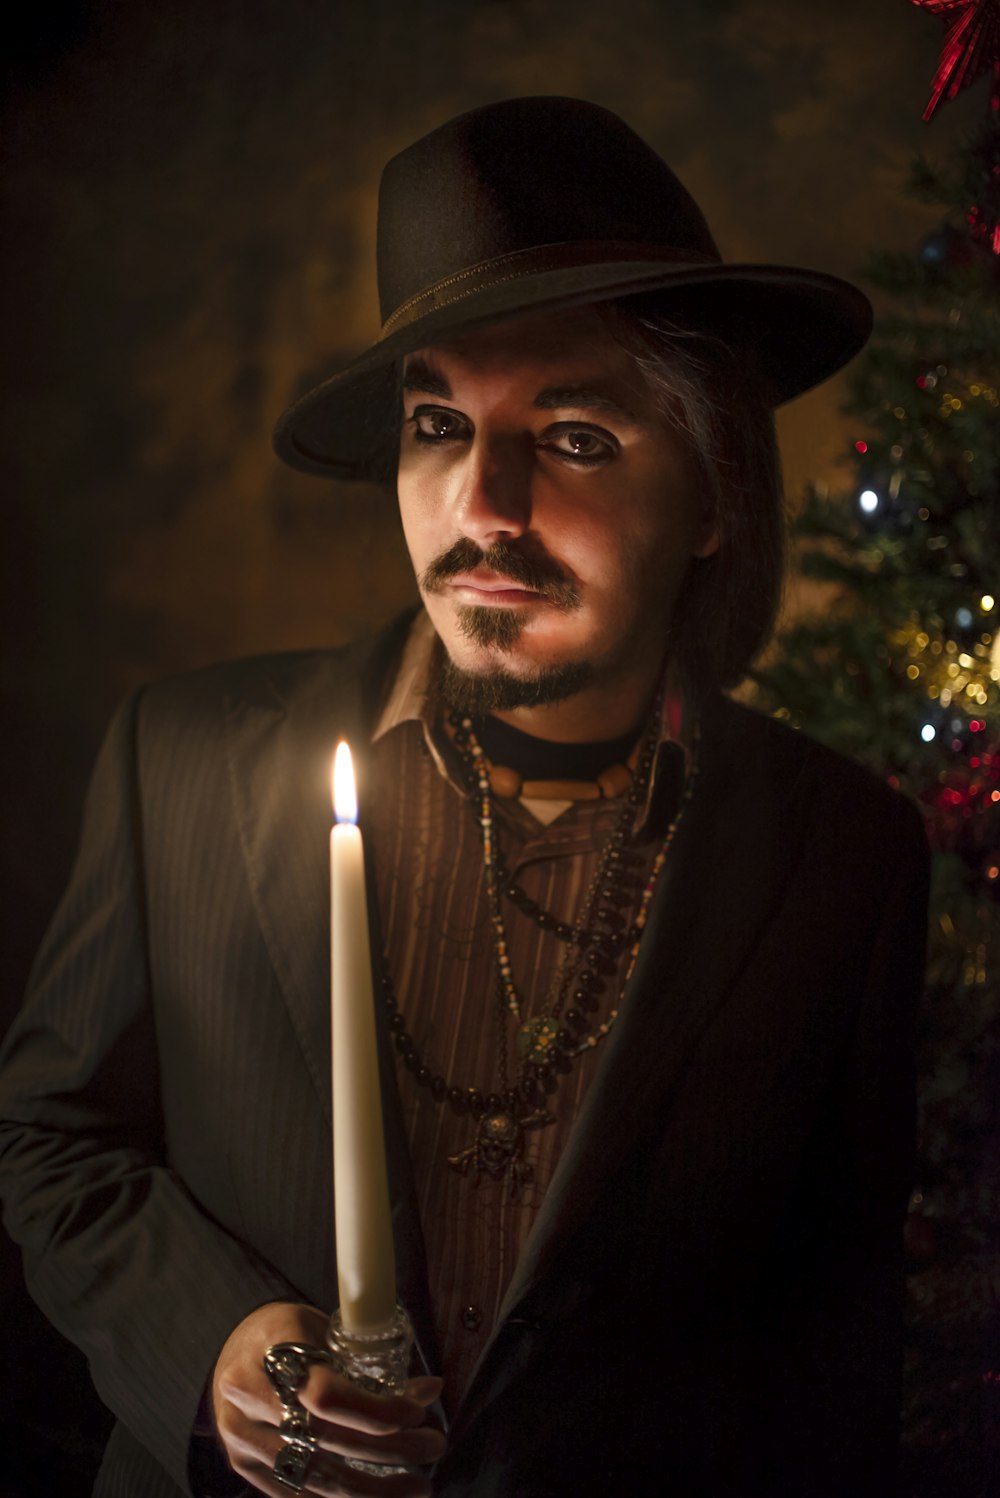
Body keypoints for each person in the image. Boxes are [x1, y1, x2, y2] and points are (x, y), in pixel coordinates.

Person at [0, 97, 930, 1498]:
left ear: (717, 494)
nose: (481, 503)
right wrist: (218, 1343)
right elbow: (51, 1137)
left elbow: (830, 1342)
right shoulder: (175, 767)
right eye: (440, 422)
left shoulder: (841, 856)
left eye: (574, 436)